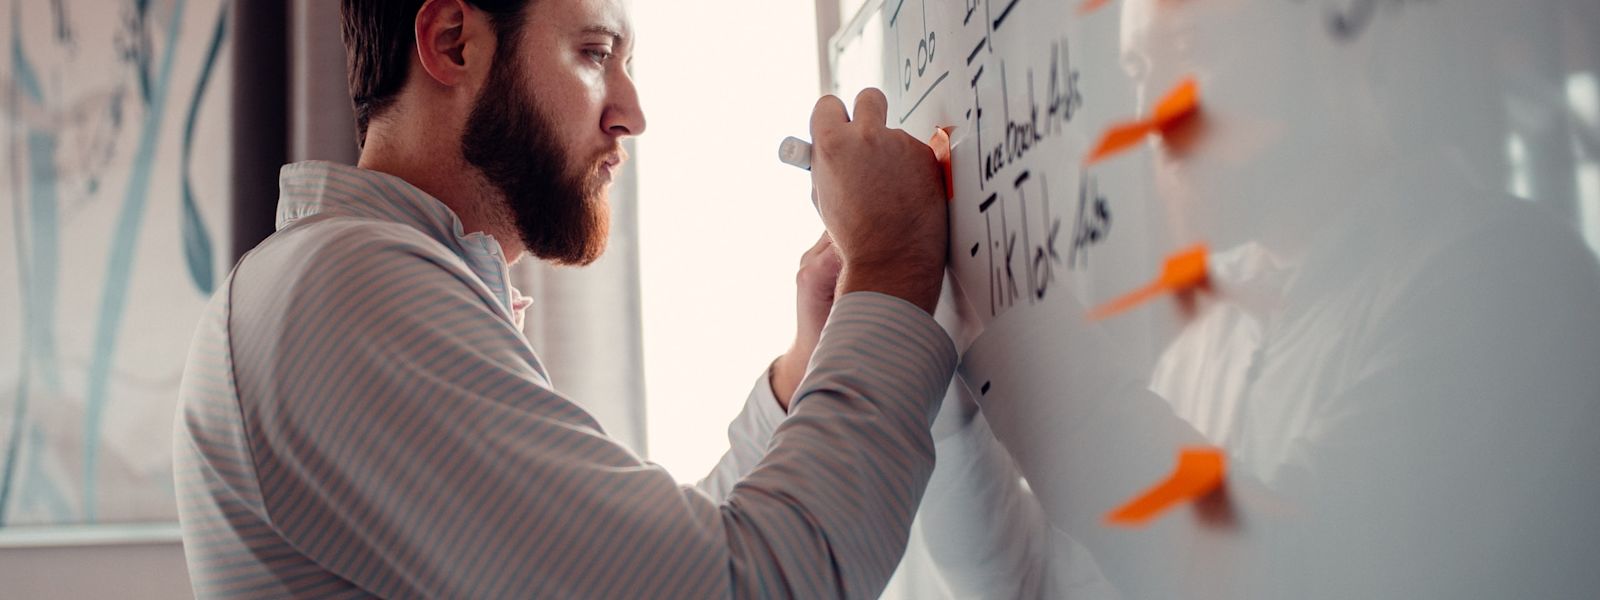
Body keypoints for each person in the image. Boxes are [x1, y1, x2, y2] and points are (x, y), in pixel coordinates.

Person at [172, 0, 956, 597]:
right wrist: (891, 262)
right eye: (594, 53)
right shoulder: (345, 293)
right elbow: (745, 583)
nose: (632, 112)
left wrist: (803, 374)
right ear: (452, 42)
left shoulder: (355, 282)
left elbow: (660, 562)